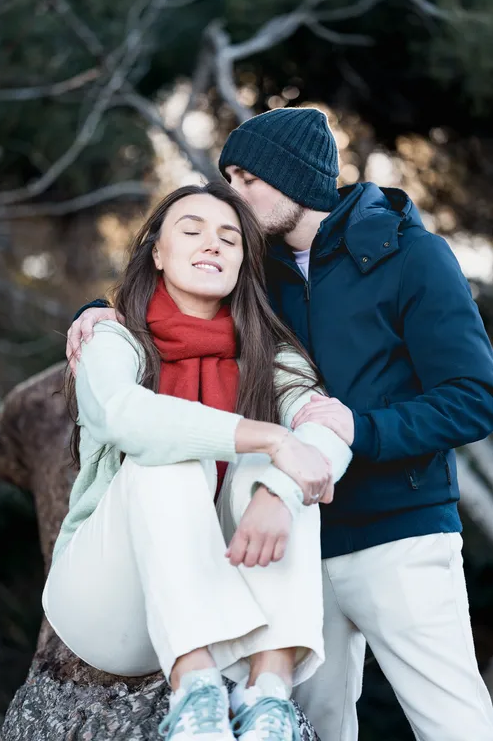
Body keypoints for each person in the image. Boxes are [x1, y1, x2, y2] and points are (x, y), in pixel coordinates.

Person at [68, 107, 493, 741]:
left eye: (246, 178)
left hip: (397, 532)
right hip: (291, 542)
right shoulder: (255, 269)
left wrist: (361, 431)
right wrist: (96, 312)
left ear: (295, 179)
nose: (232, 194)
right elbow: (175, 299)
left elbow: (473, 398)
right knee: (305, 726)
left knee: (454, 722)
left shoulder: (412, 257)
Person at [45, 180, 353, 741]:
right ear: (158, 254)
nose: (212, 243)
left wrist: (280, 491)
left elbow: (328, 429)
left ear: (242, 265)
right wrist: (271, 438)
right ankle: (196, 695)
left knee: (278, 472)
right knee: (172, 453)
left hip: (227, 602)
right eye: (192, 231)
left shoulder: (271, 354)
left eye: (230, 239)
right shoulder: (114, 339)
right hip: (108, 603)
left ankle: (267, 700)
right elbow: (126, 417)